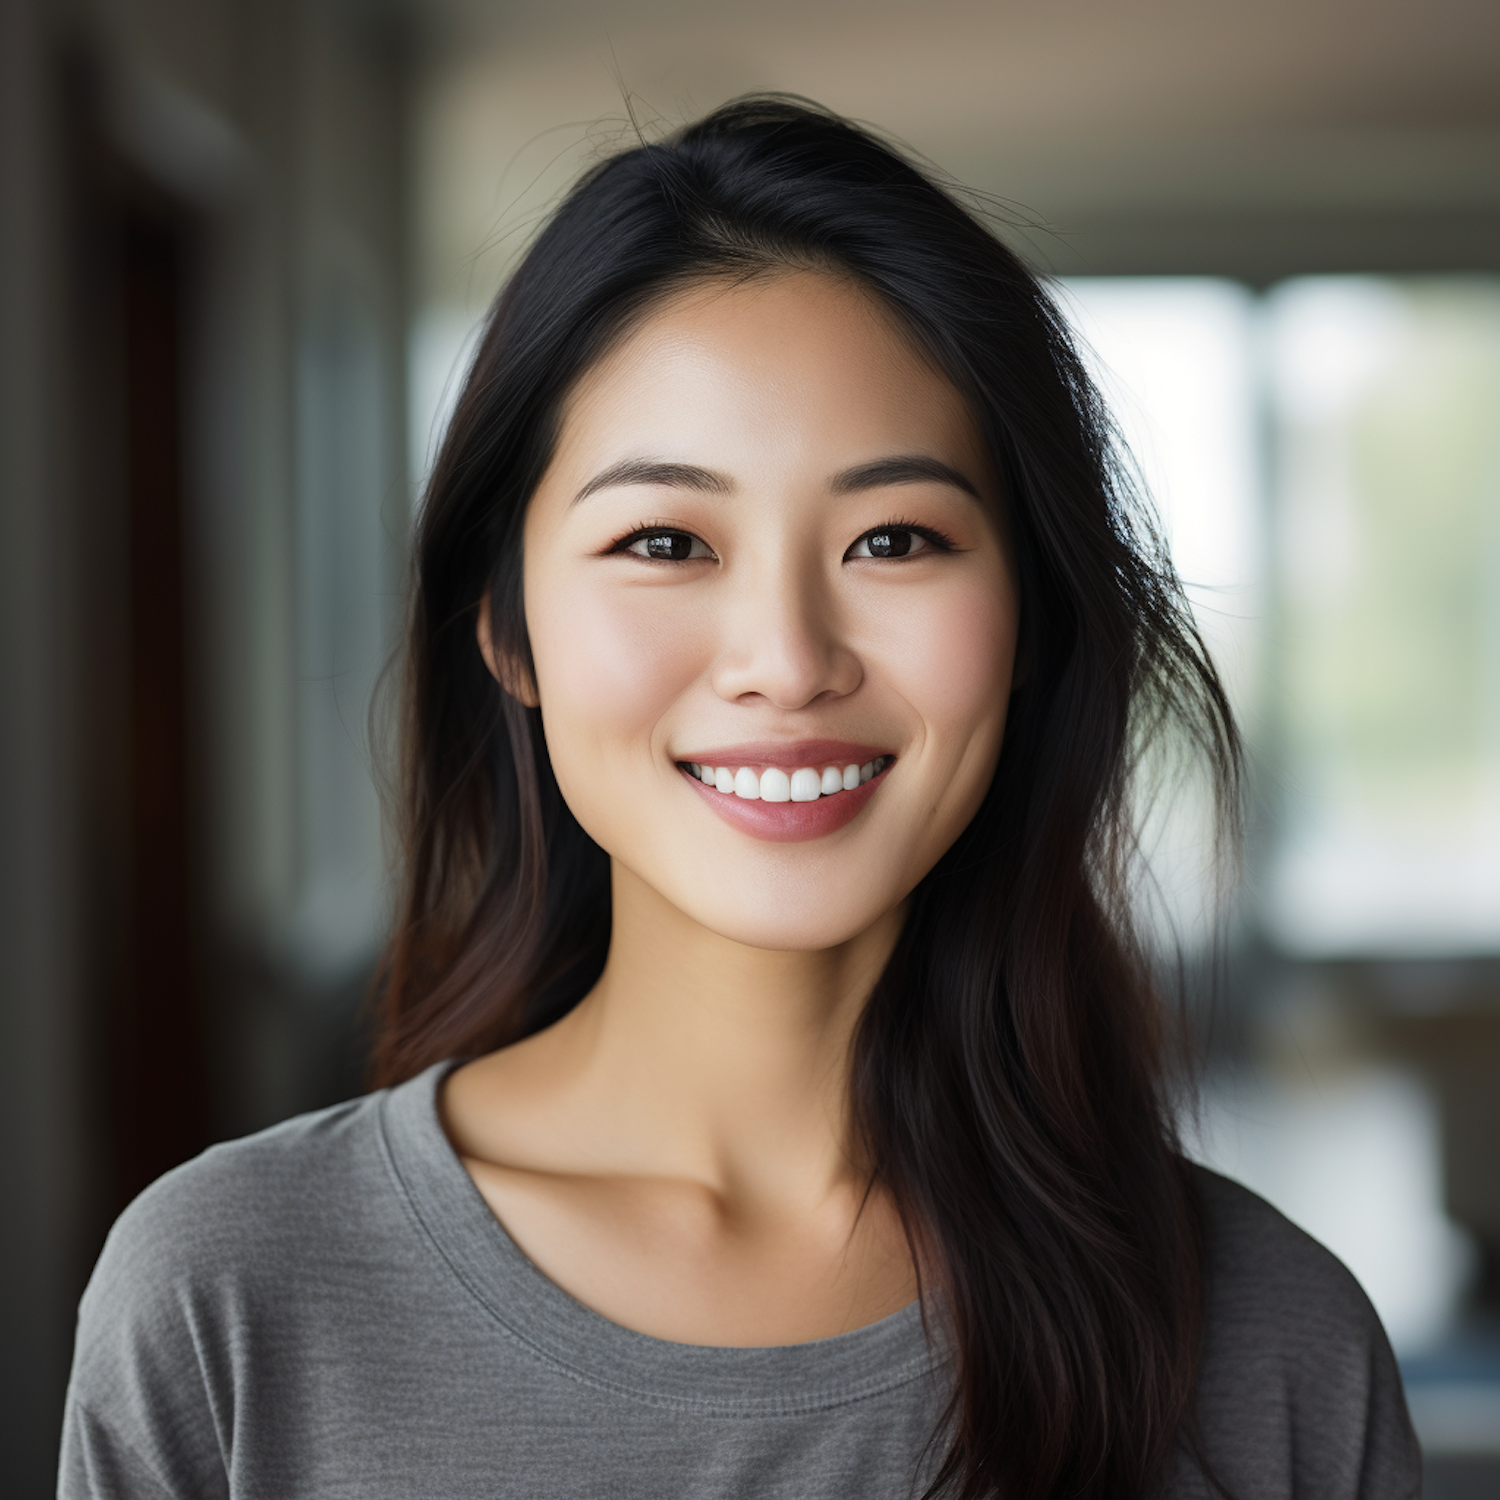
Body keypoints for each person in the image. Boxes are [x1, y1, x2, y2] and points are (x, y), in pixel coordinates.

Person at [59, 98, 1418, 1500]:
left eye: (895, 539)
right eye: (665, 540)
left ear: (1030, 622)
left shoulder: (1273, 1345)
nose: (787, 661)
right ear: (506, 627)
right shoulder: (229, 1301)